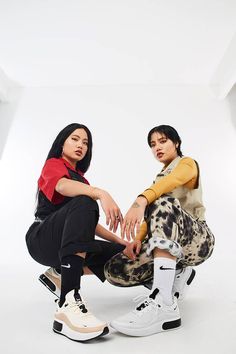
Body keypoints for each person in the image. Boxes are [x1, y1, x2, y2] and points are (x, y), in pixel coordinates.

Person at [105, 125, 215, 337]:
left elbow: (169, 188)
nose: (157, 147)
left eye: (162, 141)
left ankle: (164, 303)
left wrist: (141, 199)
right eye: (152, 145)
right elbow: (154, 218)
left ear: (176, 143)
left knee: (162, 201)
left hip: (199, 241)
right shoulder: (158, 179)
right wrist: (138, 239)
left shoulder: (187, 164)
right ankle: (177, 273)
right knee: (116, 268)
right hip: (172, 247)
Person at [25, 123, 127, 342]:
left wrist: (121, 242)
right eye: (75, 139)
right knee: (85, 201)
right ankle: (67, 303)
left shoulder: (82, 180)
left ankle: (59, 273)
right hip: (41, 239)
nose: (81, 145)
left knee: (119, 253)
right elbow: (61, 187)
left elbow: (86, 224)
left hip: (65, 244)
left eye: (85, 142)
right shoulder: (53, 164)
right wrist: (100, 193)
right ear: (62, 142)